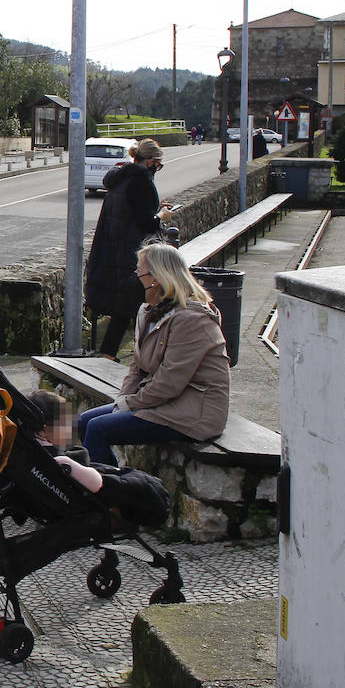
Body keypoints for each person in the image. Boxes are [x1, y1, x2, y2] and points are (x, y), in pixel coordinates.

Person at [77, 243, 230, 465]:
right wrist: (124, 400)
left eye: (139, 270)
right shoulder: (149, 312)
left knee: (98, 429)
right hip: (165, 403)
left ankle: (107, 493)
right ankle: (108, 484)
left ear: (156, 278)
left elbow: (170, 382)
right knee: (84, 421)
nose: (136, 276)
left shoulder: (192, 320)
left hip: (193, 412)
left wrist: (131, 403)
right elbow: (137, 366)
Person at [84, 138, 172, 359]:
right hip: (132, 253)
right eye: (158, 165)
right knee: (137, 306)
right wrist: (162, 216)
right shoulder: (141, 182)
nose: (158, 169)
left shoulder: (120, 178)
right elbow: (147, 223)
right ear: (151, 162)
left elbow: (130, 211)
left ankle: (109, 355)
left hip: (113, 250)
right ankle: (139, 357)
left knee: (123, 308)